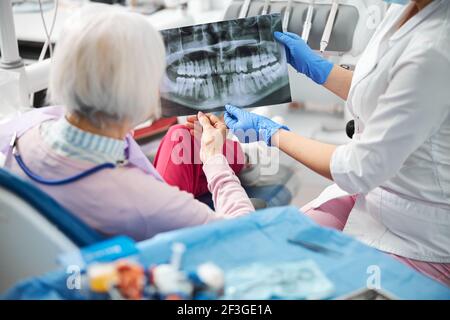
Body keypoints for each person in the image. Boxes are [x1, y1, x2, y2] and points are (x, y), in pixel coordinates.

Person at [223, 0, 450, 285]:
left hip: (419, 234)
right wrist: (319, 69)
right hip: (377, 197)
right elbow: (385, 90)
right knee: (273, 256)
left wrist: (272, 133)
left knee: (296, 282)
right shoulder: (404, 11)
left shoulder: (436, 49)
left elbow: (359, 169)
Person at [0, 5, 254, 241]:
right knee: (181, 136)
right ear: (142, 91)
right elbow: (245, 234)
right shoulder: (143, 200)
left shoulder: (18, 134)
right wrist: (213, 157)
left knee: (181, 136)